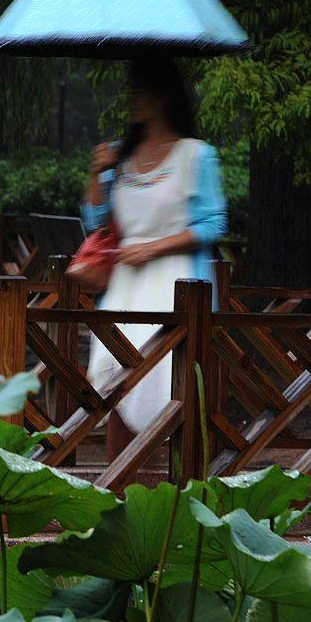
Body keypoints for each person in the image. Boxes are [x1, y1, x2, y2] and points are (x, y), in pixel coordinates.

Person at [81, 56, 226, 457]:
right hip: (126, 291)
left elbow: (215, 223)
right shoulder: (121, 156)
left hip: (176, 287)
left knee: (172, 389)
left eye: (139, 91)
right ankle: (114, 502)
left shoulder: (197, 155)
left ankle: (179, 499)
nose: (131, 100)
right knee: (119, 394)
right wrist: (97, 175)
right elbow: (96, 225)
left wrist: (154, 247)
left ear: (163, 96)